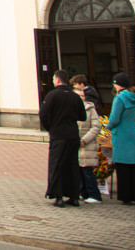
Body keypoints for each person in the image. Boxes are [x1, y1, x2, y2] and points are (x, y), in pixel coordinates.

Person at [39, 69, 86, 207]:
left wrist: (50, 128)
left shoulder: (52, 95)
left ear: (58, 80)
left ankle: (58, 196)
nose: (53, 81)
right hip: (73, 135)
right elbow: (82, 116)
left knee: (57, 165)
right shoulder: (75, 97)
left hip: (58, 135)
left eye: (54, 78)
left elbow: (43, 114)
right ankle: (74, 196)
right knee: (72, 165)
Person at [109, 72, 135, 206]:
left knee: (123, 167)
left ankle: (126, 196)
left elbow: (114, 118)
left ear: (117, 85)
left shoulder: (119, 98)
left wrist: (108, 127)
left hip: (122, 135)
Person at [73, 86, 102, 203]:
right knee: (79, 170)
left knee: (87, 171)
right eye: (79, 96)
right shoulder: (72, 109)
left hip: (87, 145)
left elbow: (96, 127)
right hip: (76, 143)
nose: (81, 98)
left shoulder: (90, 109)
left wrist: (85, 140)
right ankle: (82, 192)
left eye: (83, 96)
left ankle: (94, 194)